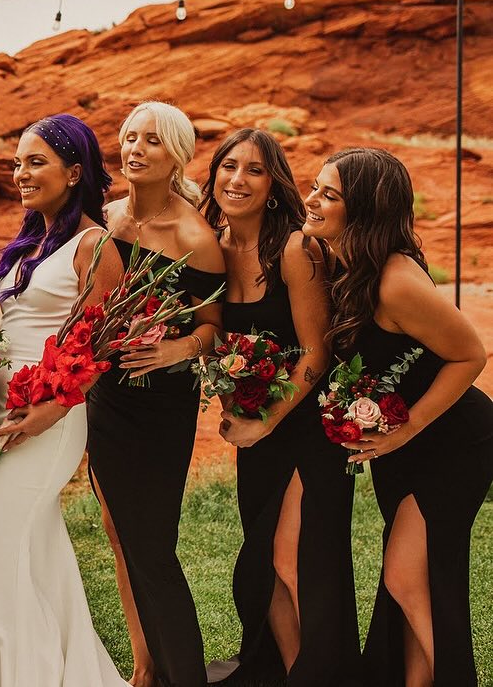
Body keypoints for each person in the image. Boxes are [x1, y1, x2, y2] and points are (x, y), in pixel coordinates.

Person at [303, 147, 493, 687]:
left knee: (408, 577)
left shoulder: (394, 281)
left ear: (364, 210)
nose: (313, 200)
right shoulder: (345, 261)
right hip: (405, 445)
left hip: (453, 441)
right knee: (418, 580)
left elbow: (470, 355)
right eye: (315, 187)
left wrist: (408, 428)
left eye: (329, 194)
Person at [0, 113, 129, 687]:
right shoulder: (30, 243)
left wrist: (53, 407)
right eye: (17, 162)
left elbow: (103, 344)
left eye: (36, 162)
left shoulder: (93, 245)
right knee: (35, 556)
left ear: (74, 171)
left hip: (46, 417)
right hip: (4, 413)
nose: (20, 173)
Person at [202, 129, 361, 685]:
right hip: (258, 431)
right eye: (228, 167)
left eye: (254, 170)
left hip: (310, 426)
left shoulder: (297, 248)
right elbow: (218, 344)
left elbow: (317, 353)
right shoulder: (211, 250)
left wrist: (264, 421)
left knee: (293, 561)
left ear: (274, 186)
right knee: (263, 567)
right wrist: (232, 408)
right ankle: (294, 672)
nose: (237, 180)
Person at [85, 101, 224, 687]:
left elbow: (214, 327)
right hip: (106, 394)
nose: (135, 149)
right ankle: (145, 665)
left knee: (153, 541)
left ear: (178, 156)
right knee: (119, 530)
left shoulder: (196, 236)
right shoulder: (106, 219)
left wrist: (173, 350)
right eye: (129, 137)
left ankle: (184, 672)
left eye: (152, 141)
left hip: (162, 403)